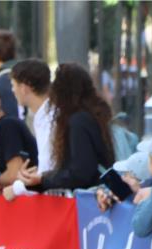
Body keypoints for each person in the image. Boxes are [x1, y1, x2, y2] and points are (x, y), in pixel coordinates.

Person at [16, 63, 113, 192]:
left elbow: (80, 172)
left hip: (87, 200)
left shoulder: (78, 122)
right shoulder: (91, 116)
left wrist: (43, 179)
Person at [10, 58, 54, 172]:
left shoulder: (51, 119)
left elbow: (47, 168)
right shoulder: (41, 116)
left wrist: (20, 186)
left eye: (13, 85)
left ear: (24, 88)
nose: (12, 90)